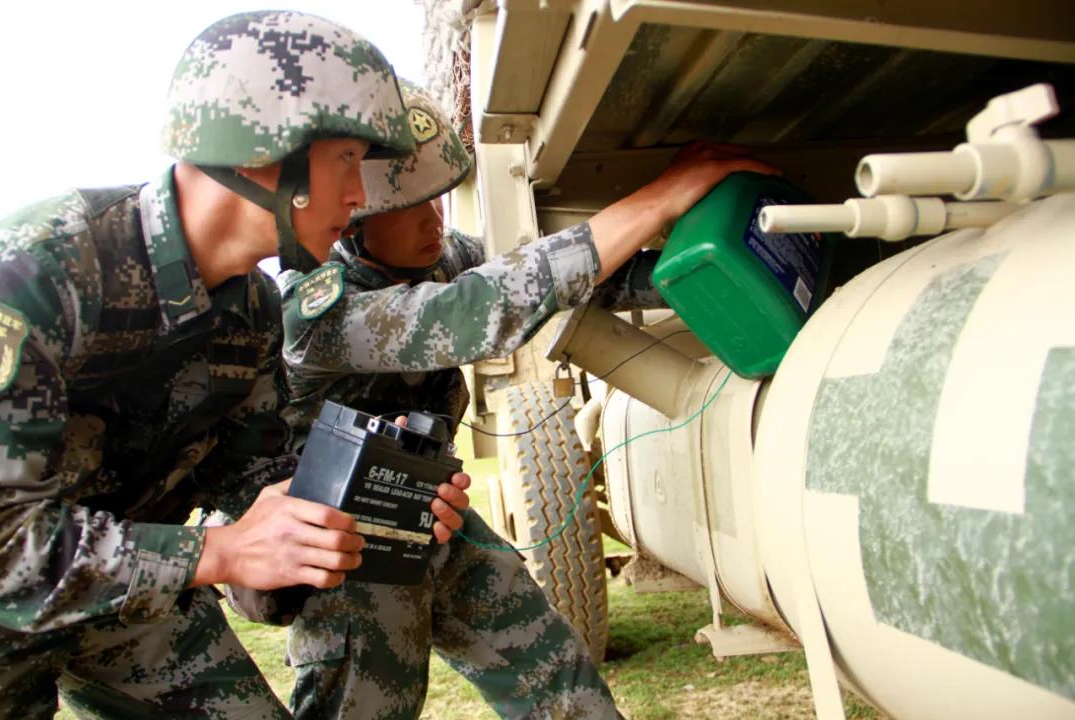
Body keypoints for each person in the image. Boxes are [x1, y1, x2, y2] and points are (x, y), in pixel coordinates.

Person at [0, 12, 469, 719]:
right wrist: (213, 555)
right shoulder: (38, 275)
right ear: (260, 152)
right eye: (345, 159)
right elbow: (5, 549)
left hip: (134, 602)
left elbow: (254, 479)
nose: (361, 196)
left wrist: (373, 487)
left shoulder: (251, 309)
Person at [261, 80, 774, 720]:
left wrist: (715, 260)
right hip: (343, 548)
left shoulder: (444, 259)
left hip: (430, 514)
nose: (436, 219)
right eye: (412, 206)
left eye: (440, 198)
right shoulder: (318, 313)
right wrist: (658, 198)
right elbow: (482, 306)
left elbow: (567, 281)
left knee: (560, 683)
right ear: (355, 219)